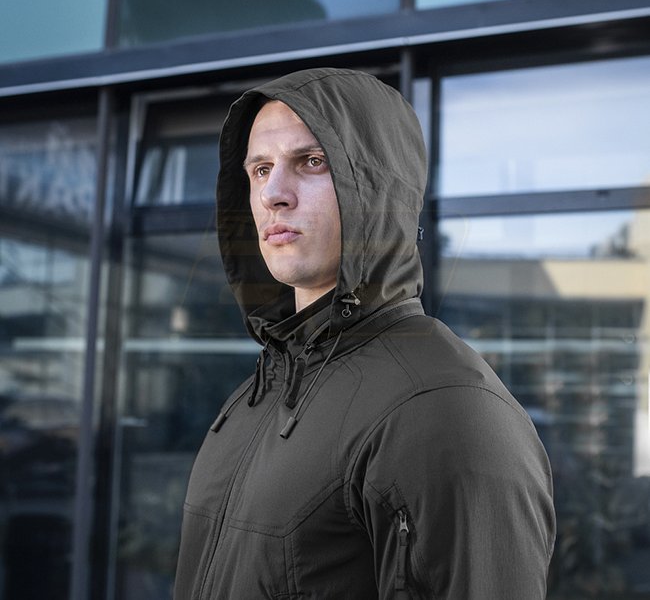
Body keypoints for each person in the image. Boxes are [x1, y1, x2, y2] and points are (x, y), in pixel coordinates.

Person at [174, 67, 555, 599]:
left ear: (379, 188)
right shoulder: (260, 392)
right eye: (260, 169)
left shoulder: (443, 409)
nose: (273, 194)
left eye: (311, 161)